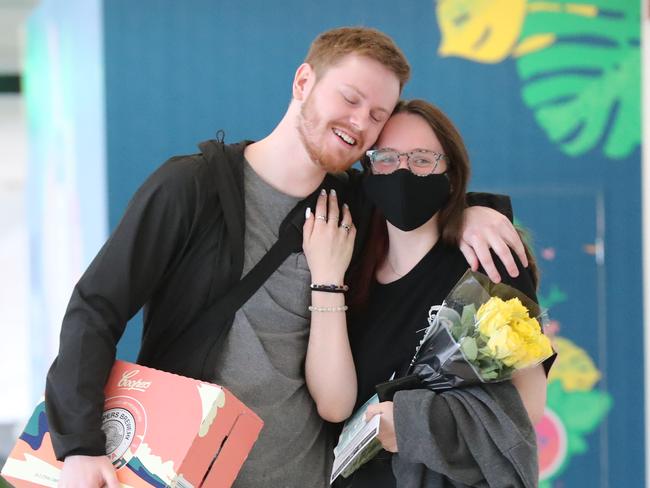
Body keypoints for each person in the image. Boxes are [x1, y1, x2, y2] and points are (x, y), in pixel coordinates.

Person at [47, 28, 528, 488]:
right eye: (350, 98)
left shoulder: (355, 205)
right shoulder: (191, 189)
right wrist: (79, 444)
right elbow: (96, 308)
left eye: (378, 114)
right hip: (181, 469)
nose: (361, 123)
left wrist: (471, 211)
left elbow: (420, 190)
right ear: (303, 82)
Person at [303, 99, 555, 487]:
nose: (403, 171)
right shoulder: (349, 267)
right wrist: (327, 278)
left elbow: (528, 406)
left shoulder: (487, 264)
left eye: (422, 159)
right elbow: (334, 406)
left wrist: (411, 425)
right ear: (368, 169)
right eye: (386, 157)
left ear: (450, 172)